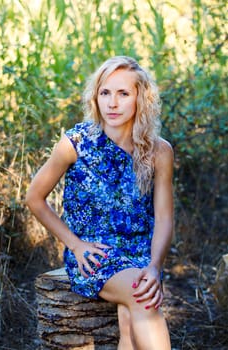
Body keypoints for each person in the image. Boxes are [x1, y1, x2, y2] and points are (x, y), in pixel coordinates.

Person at [26, 56, 174, 350]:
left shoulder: (159, 151)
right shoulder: (76, 143)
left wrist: (155, 266)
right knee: (140, 295)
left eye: (123, 93)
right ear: (96, 96)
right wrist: (75, 245)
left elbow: (164, 217)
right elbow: (34, 198)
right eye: (105, 92)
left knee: (130, 328)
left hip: (141, 251)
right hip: (95, 253)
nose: (112, 103)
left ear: (140, 99)